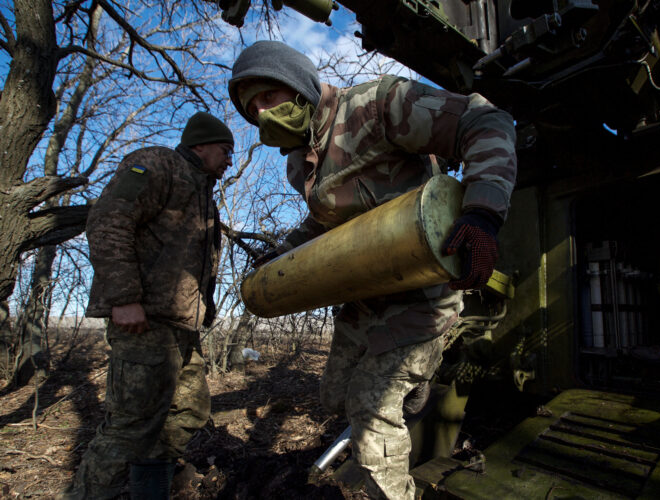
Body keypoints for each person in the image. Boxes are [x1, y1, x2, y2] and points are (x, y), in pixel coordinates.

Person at [228, 40, 517, 500]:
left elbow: (483, 120)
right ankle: (417, 391)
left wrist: (482, 212)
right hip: (366, 298)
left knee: (370, 408)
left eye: (267, 97)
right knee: (334, 395)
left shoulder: (375, 105)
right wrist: (280, 255)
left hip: (423, 292)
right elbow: (322, 224)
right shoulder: (297, 164)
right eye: (251, 109)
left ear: (295, 84)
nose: (261, 114)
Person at [58, 112, 234, 500]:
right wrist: (124, 298)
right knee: (130, 428)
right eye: (225, 150)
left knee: (186, 413)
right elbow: (108, 220)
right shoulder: (158, 164)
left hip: (180, 331)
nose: (229, 161)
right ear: (200, 145)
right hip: (144, 324)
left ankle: (149, 493)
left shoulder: (203, 194)